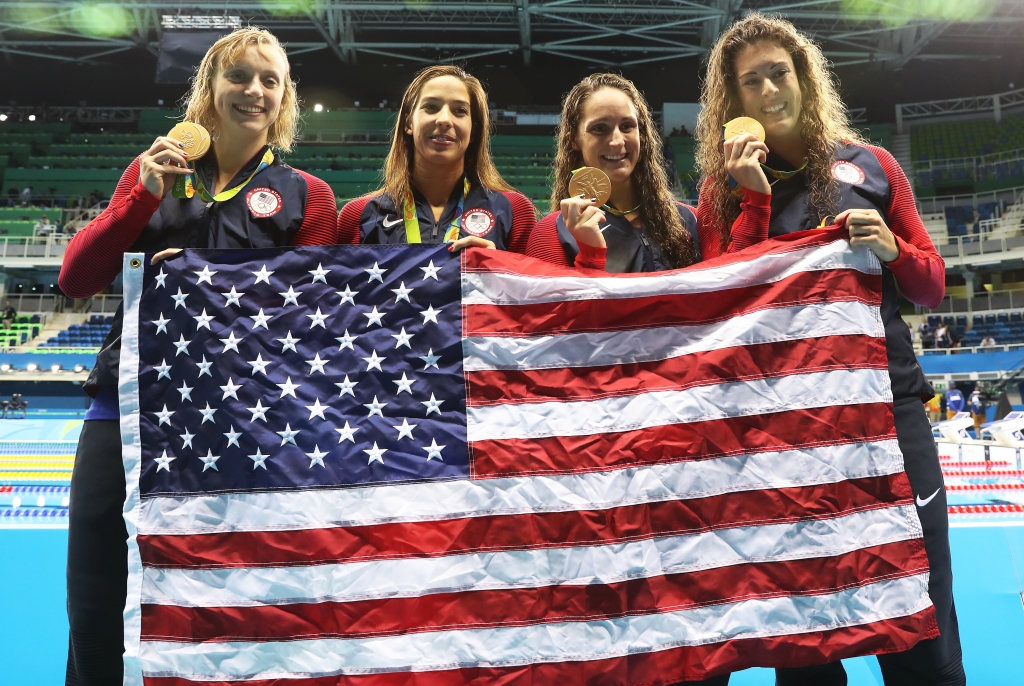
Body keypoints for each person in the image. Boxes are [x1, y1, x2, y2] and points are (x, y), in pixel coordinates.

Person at [57, 27, 338, 686]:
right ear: (210, 87)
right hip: (126, 411)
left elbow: (312, 319)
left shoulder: (309, 196)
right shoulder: (152, 169)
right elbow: (76, 278)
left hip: (241, 421)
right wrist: (140, 197)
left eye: (270, 80)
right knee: (96, 596)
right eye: (239, 75)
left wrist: (213, 279)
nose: (254, 91)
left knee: (231, 605)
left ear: (285, 99)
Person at [695, 13, 964, 686]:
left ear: (803, 78)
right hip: (786, 432)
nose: (768, 90)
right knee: (808, 641)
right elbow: (724, 309)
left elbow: (930, 285)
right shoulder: (717, 192)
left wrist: (894, 250)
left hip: (888, 411)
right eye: (750, 81)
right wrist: (752, 205)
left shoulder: (871, 164)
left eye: (778, 73)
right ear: (733, 101)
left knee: (923, 623)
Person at [338, 65, 536, 253]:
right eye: (431, 107)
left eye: (460, 111)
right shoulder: (358, 215)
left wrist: (498, 268)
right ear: (409, 123)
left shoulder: (514, 211)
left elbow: (531, 287)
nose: (444, 120)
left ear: (473, 130)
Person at [526, 73, 703, 273]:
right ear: (573, 140)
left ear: (642, 134)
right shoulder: (551, 233)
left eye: (627, 126)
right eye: (600, 129)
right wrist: (591, 254)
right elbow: (558, 305)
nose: (617, 141)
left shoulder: (689, 220)